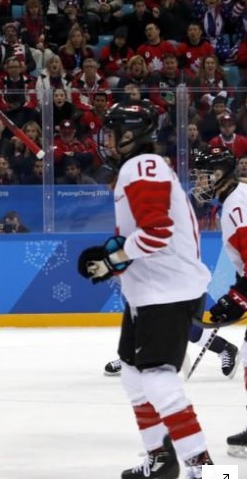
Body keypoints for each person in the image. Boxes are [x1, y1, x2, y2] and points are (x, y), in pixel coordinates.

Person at [77, 99, 214, 479]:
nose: (106, 139)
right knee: (134, 374)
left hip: (166, 291)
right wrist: (117, 258)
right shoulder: (140, 167)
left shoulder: (141, 166)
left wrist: (112, 259)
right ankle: (162, 459)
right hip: (149, 290)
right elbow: (149, 232)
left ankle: (207, 473)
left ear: (131, 135)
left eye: (113, 131)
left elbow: (156, 233)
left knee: (157, 377)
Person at [188, 146, 247, 458]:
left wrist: (239, 296)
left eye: (204, 174)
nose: (200, 181)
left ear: (222, 174)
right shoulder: (235, 200)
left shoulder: (237, 206)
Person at [103, 324, 239, 378]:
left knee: (185, 326)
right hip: (148, 279)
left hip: (179, 280)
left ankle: (224, 348)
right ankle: (132, 356)